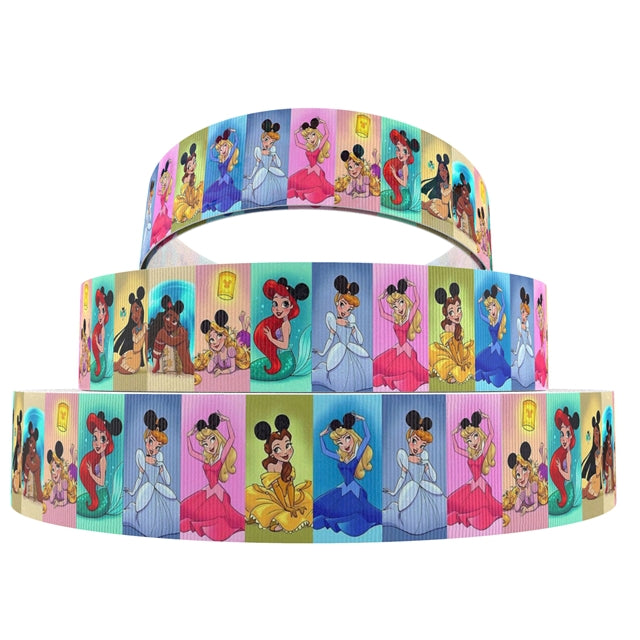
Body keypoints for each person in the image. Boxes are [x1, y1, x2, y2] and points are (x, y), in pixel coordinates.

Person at [314, 413, 381, 536]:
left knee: (355, 509)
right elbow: (325, 451)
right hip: (343, 487)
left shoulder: (356, 456)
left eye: (347, 438)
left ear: (352, 436)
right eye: (340, 443)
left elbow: (367, 437)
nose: (345, 445)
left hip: (354, 490)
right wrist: (321, 436)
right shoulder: (340, 457)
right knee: (321, 504)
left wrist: (363, 420)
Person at [180, 412, 244, 540]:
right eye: (205, 443)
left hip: (217, 491)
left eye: (212, 439)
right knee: (186, 507)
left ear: (217, 437)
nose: (209, 446)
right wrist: (188, 436)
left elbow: (231, 438)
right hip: (208, 489)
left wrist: (228, 421)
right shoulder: (206, 459)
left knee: (221, 516)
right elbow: (191, 452)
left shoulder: (221, 457)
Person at [245, 414, 312, 532]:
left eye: (288, 445)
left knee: (306, 500)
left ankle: (287, 515)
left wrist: (291, 505)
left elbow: (290, 486)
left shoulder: (288, 466)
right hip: (278, 498)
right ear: (271, 452)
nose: (285, 452)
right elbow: (277, 489)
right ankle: (279, 521)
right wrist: (286, 507)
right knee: (271, 509)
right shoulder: (272, 467)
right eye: (278, 449)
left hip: (289, 497)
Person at [383, 410, 446, 535]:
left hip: (423, 487)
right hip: (412, 489)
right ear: (409, 440)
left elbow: (433, 478)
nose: (418, 448)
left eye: (423, 445)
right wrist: (394, 492)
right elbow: (402, 477)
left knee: (440, 513)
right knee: (412, 522)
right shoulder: (403, 456)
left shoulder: (424, 456)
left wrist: (427, 464)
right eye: (415, 441)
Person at [123, 410, 180, 537]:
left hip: (158, 488)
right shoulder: (140, 456)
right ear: (145, 440)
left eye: (158, 446)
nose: (153, 448)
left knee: (171, 515)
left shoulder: (159, 457)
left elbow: (168, 481)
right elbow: (140, 477)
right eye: (150, 442)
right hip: (147, 490)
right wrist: (132, 492)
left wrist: (162, 466)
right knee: (147, 522)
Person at [312, 275, 372, 391]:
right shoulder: (332, 319)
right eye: (343, 304)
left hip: (350, 349)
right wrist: (322, 353)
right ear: (337, 303)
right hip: (339, 350)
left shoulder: (351, 319)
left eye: (350, 309)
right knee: (339, 381)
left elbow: (360, 341)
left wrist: (353, 327)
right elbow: (331, 338)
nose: (345, 311)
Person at [373, 278, 429, 391]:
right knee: (378, 363)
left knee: (408, 371)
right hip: (398, 347)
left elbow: (417, 302)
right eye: (395, 306)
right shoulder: (396, 319)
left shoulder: (409, 318)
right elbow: (382, 314)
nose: (398, 308)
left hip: (406, 349)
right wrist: (379, 300)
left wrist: (414, 286)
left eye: (401, 302)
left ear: (405, 301)